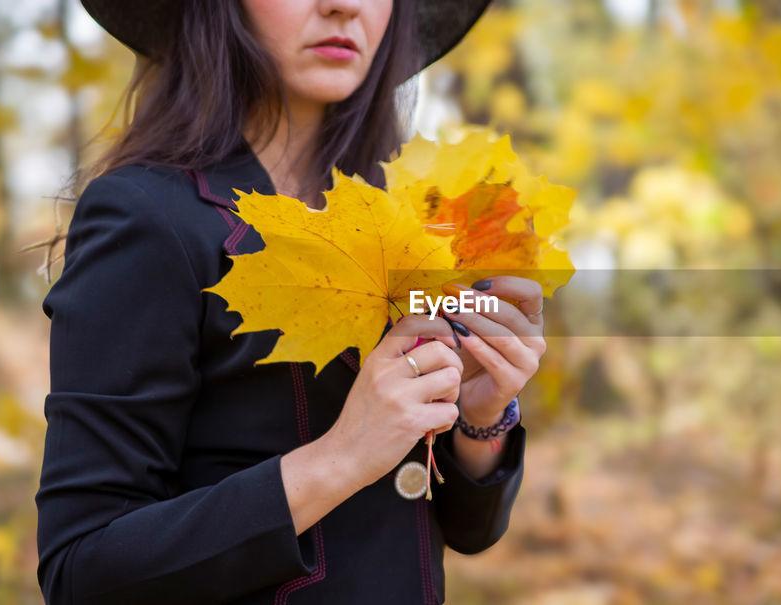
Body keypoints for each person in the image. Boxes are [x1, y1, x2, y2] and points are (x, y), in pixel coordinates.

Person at [35, 1, 545, 603]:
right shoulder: (149, 218)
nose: (344, 5)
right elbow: (83, 570)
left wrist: (481, 418)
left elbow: (466, 529)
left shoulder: (410, 217)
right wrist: (338, 460)